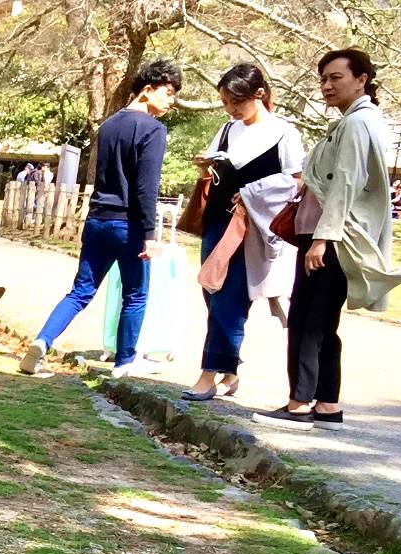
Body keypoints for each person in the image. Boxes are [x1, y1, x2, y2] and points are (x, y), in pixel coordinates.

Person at [257, 49, 401, 426]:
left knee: (309, 318)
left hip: (330, 236)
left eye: (336, 77)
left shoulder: (358, 123)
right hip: (330, 233)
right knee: (322, 320)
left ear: (362, 79)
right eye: (323, 78)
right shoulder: (356, 121)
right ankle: (326, 403)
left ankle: (300, 403)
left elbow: (345, 183)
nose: (327, 85)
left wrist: (324, 239)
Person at [19, 59, 183, 377]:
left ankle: (42, 341)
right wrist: (150, 234)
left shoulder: (107, 126)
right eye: (169, 91)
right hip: (129, 224)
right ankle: (124, 361)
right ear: (148, 89)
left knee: (81, 291)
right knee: (135, 294)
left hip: (97, 220)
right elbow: (146, 187)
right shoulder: (153, 130)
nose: (171, 100)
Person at [184, 63, 304, 402]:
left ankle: (209, 374)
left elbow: (296, 180)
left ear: (259, 95)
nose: (231, 109)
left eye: (236, 101)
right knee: (212, 290)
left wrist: (253, 191)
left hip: (251, 226)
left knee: (229, 298)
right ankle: (230, 372)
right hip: (218, 223)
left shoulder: (284, 133)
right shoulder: (227, 129)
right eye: (225, 103)